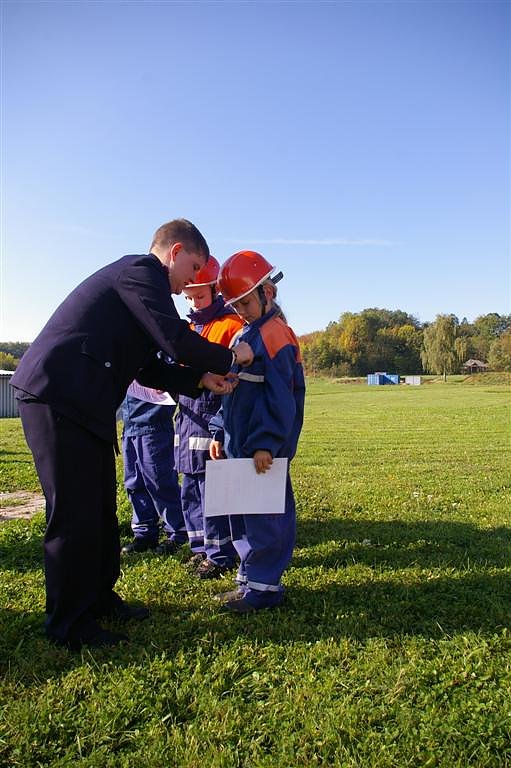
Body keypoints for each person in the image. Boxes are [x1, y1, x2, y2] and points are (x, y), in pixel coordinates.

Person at [10, 219, 254, 649]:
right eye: (193, 268)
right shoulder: (141, 273)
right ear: (175, 252)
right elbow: (177, 341)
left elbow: (150, 365)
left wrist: (201, 380)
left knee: (101, 510)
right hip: (57, 396)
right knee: (73, 513)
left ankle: (100, 599)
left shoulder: (142, 291)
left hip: (85, 405)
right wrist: (230, 357)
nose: (190, 283)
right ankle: (69, 623)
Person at [208, 250, 305, 613]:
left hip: (262, 449)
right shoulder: (246, 334)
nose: (241, 311)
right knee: (243, 514)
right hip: (237, 444)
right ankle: (249, 579)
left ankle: (265, 588)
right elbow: (230, 389)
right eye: (235, 305)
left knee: (266, 517)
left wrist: (267, 443)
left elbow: (281, 397)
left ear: (268, 292)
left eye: (245, 302)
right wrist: (219, 432)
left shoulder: (277, 335)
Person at [174, 257, 244, 578]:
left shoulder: (231, 325)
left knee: (212, 490)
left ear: (215, 289)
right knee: (190, 487)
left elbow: (234, 378)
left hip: (211, 417)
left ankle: (220, 554)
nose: (193, 302)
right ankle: (200, 547)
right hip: (186, 418)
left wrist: (220, 428)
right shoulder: (187, 328)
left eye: (199, 296)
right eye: (188, 297)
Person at [120, 380, 187, 555]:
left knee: (159, 481)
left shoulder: (159, 351)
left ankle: (178, 532)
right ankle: (144, 532)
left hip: (154, 423)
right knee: (134, 482)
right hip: (130, 424)